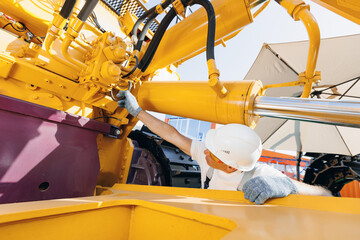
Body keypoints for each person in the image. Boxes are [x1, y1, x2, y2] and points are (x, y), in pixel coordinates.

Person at [118, 91, 332, 204]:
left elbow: (324, 195)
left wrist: (288, 187)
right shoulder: (211, 157)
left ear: (230, 167)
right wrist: (137, 111)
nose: (204, 152)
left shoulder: (262, 176)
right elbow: (173, 135)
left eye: (212, 153)